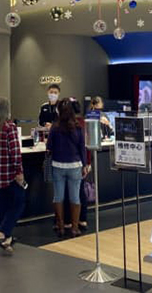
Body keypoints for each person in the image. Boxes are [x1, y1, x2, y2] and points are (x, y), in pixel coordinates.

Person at [0, 98, 26, 254]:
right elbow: (15, 152)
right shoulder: (10, 127)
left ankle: (6, 240)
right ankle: (2, 233)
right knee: (19, 202)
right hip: (9, 176)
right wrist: (19, 172)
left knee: (4, 208)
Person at [47, 98, 88, 237]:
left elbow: (49, 147)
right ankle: (75, 228)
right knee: (75, 197)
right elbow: (82, 148)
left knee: (58, 196)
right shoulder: (78, 127)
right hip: (75, 166)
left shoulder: (55, 127)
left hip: (58, 165)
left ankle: (61, 226)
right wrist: (84, 164)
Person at [62, 97, 91, 231]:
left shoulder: (66, 124)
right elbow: (86, 145)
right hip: (81, 162)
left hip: (70, 163)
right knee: (80, 191)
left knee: (69, 193)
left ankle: (69, 221)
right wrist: (87, 162)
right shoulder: (83, 123)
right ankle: (82, 219)